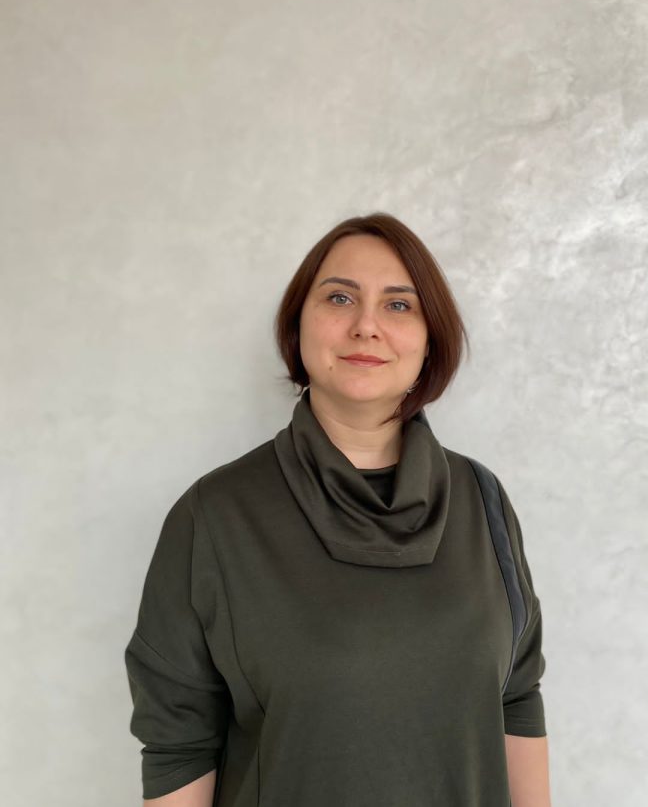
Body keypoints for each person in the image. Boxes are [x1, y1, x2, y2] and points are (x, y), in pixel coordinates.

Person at [124, 212, 552, 807]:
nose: (366, 326)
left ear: (431, 339)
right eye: (340, 297)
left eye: (398, 305)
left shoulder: (483, 500)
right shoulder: (214, 517)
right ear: (297, 324)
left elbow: (516, 697)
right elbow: (178, 744)